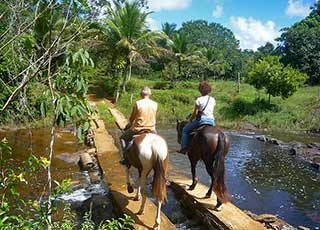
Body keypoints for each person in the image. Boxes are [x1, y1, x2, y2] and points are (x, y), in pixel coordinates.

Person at [119, 86, 158, 165]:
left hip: (138, 128)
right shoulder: (155, 104)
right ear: (150, 94)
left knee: (122, 138)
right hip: (152, 129)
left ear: (141, 94)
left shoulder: (138, 103)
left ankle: (125, 158)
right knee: (158, 142)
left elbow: (132, 118)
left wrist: (130, 123)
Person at [177, 81, 216, 154]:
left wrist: (190, 120)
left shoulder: (199, 100)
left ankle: (184, 148)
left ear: (201, 90)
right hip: (211, 121)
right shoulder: (213, 99)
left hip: (201, 120)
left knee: (185, 130)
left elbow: (195, 113)